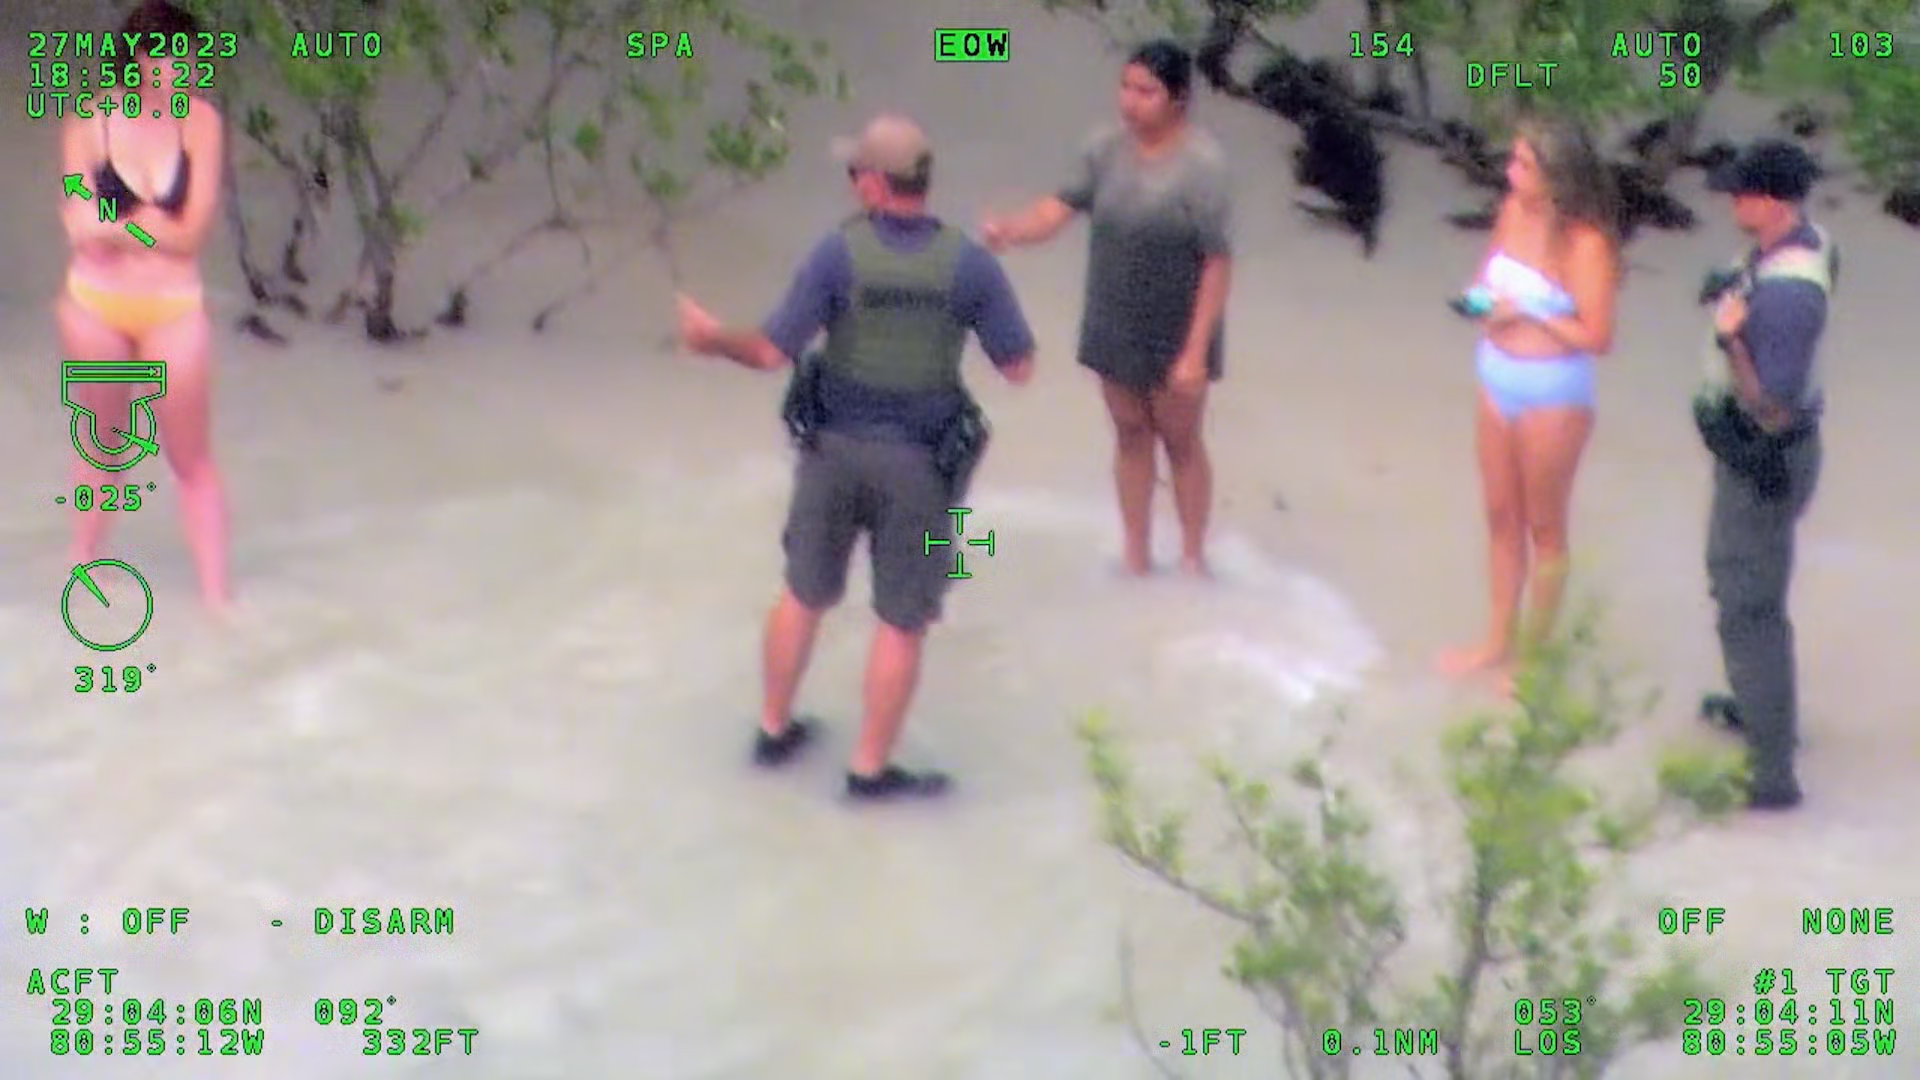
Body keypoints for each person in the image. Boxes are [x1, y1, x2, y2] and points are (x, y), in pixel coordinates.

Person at [676, 114, 1036, 802]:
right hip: (922, 468)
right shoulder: (970, 264)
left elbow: (770, 352)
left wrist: (708, 337)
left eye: (853, 174)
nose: (850, 186)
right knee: (903, 620)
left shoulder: (837, 254)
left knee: (803, 593)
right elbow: (1019, 368)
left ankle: (773, 732)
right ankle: (868, 773)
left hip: (831, 454)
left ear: (874, 185)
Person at [981, 40, 1232, 577]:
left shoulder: (1203, 167)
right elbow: (1059, 207)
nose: (1130, 101)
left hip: (1179, 324)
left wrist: (1195, 352)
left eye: (1146, 91)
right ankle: (1136, 554)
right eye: (1126, 87)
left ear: (1178, 99)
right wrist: (1012, 230)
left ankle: (1193, 557)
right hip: (1114, 318)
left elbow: (1216, 262)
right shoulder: (1104, 150)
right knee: (1129, 434)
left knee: (1181, 441)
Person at [58, 0, 230, 609]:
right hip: (96, 306)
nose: (186, 72)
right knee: (104, 446)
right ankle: (82, 566)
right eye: (172, 60)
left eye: (192, 60)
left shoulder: (201, 124)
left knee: (191, 457)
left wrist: (119, 227)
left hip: (172, 308)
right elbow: (78, 222)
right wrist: (145, 226)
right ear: (138, 61)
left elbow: (191, 233)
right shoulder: (88, 125)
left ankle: (217, 600)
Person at [1439, 115, 1621, 687]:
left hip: (1552, 393)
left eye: (1523, 163)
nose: (1510, 171)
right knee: (1501, 516)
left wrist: (1532, 313)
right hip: (1496, 374)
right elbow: (1488, 278)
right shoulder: (1512, 212)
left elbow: (1598, 336)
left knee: (1545, 527)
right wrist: (1481, 305)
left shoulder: (1586, 243)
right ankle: (1496, 639)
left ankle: (1531, 660)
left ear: (1556, 175)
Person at [1692, 140, 1835, 810]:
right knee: (1750, 592)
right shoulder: (1809, 246)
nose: (1732, 201)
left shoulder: (1787, 299)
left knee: (1748, 603)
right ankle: (1762, 707)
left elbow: (1772, 407)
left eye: (1742, 193)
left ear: (1773, 201)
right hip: (1766, 458)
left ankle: (1771, 771)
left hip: (1763, 461)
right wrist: (1733, 283)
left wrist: (1732, 339)